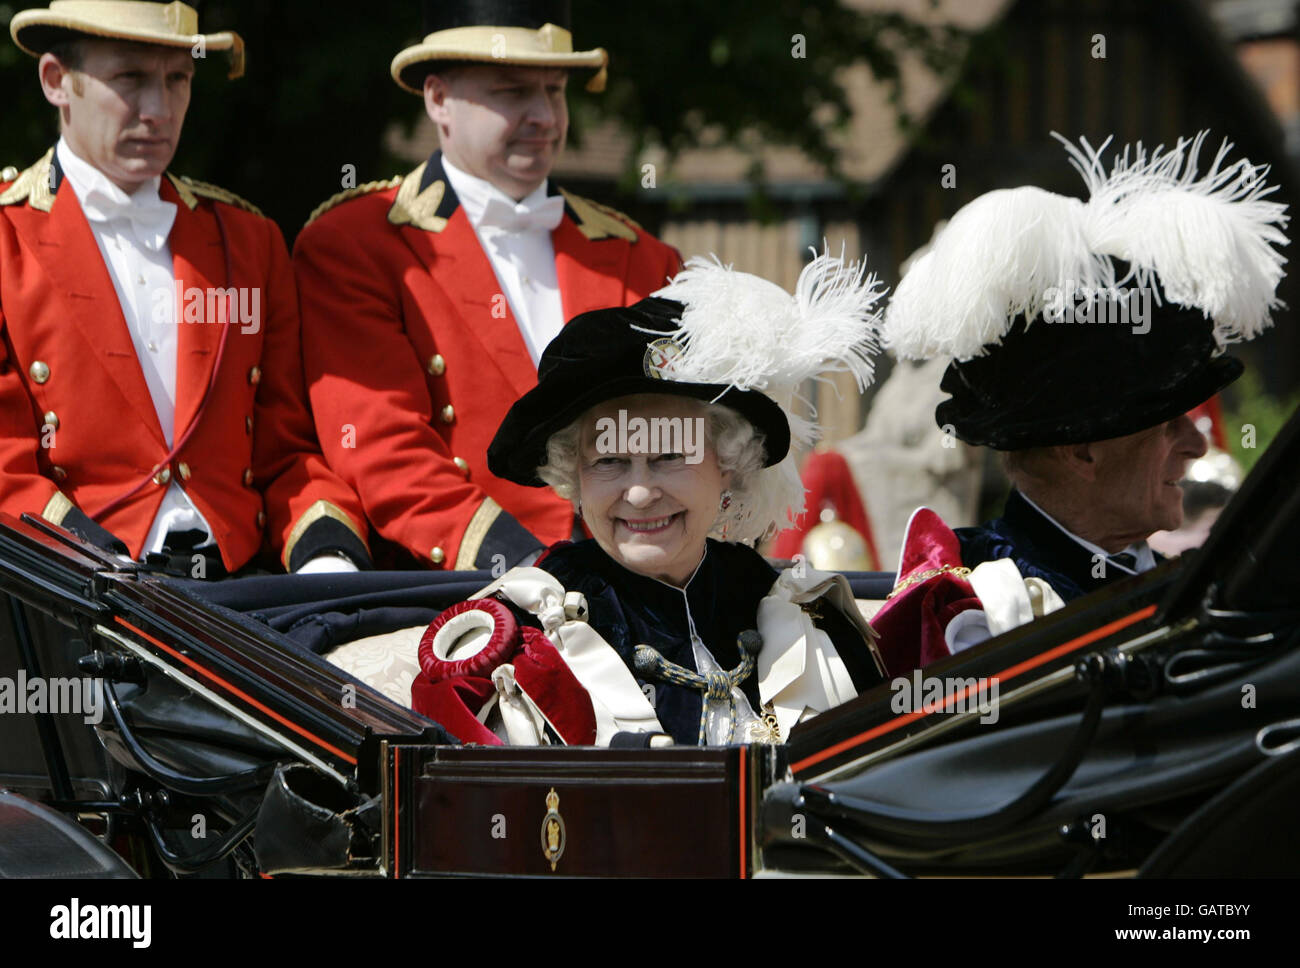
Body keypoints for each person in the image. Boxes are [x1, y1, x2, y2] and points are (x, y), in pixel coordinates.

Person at [406, 254, 888, 746]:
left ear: (726, 464)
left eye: (669, 457)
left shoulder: (800, 611)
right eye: (609, 462)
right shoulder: (525, 641)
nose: (639, 493)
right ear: (574, 474)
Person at [294, 0, 681, 572]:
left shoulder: (640, 255)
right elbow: (382, 449)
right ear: (438, 99)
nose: (546, 117)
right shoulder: (355, 244)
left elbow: (683, 433)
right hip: (453, 598)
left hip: (634, 579)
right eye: (512, 91)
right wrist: (524, 563)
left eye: (554, 91)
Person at [1, 1, 371, 578]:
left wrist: (326, 555)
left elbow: (288, 450)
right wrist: (100, 568)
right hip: (72, 592)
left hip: (241, 593)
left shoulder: (249, 241)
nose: (159, 109)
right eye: (130, 78)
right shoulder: (6, 239)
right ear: (56, 81)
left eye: (178, 80)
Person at [880, 132, 1288, 607]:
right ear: (1082, 451)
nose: (1198, 444)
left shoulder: (1183, 583)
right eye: (1169, 424)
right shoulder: (975, 611)